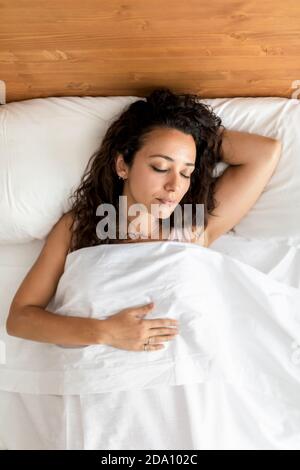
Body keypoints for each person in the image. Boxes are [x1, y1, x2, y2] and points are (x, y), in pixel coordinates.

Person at [6, 87, 282, 352]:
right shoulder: (79, 227)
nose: (175, 185)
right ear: (122, 165)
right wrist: (106, 332)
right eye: (160, 167)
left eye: (186, 172)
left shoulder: (193, 228)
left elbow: (264, 152)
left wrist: (196, 135)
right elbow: (21, 319)